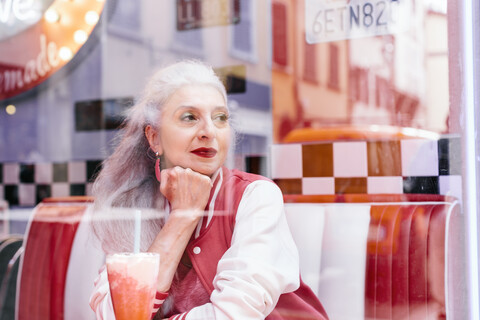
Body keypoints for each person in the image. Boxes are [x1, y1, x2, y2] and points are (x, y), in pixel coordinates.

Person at [89, 60, 328, 319]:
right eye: (189, 117)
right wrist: (182, 217)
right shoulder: (137, 205)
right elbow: (113, 312)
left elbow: (235, 314)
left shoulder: (256, 195)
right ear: (154, 137)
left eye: (220, 118)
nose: (208, 131)